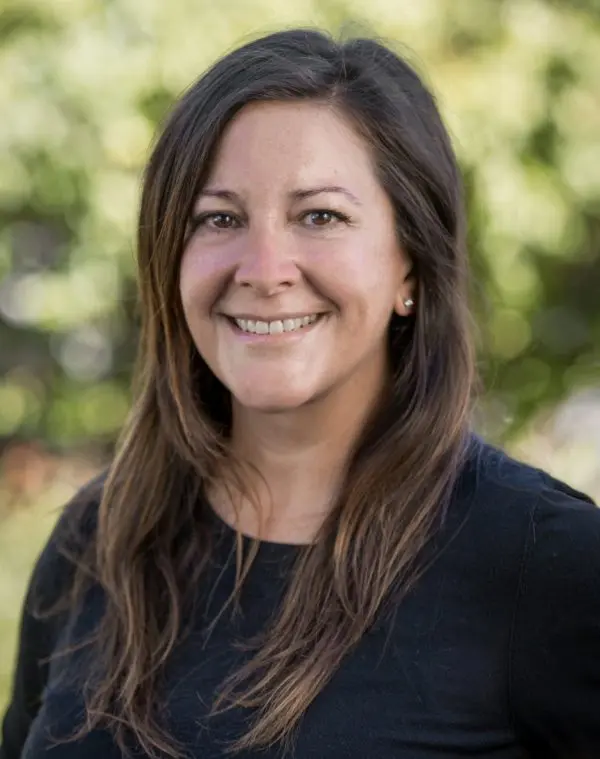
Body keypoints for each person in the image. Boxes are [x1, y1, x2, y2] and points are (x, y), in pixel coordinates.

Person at [1, 27, 599, 759]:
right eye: (219, 218)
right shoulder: (96, 542)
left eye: (320, 216)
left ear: (411, 266)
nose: (264, 266)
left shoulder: (548, 563)